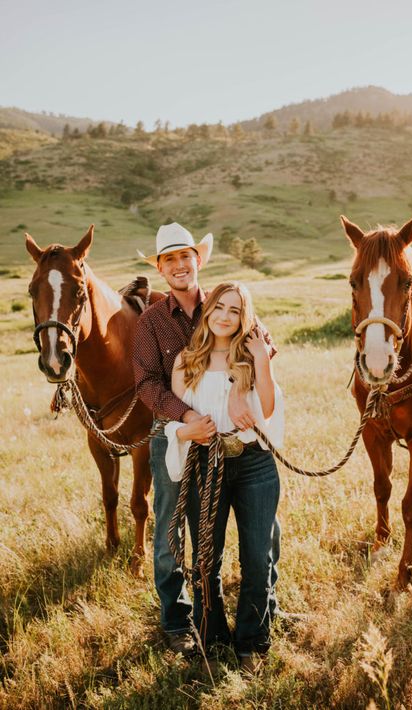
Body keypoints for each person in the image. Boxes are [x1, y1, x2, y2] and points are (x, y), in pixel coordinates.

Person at [132, 222, 280, 657]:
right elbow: (146, 384)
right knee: (171, 528)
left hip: (236, 438)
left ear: (199, 260)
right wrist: (187, 417)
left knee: (263, 531)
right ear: (160, 269)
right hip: (176, 432)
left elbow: (264, 345)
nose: (179, 266)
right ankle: (180, 621)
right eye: (170, 259)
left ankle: (263, 606)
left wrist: (237, 384)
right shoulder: (151, 323)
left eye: (186, 256)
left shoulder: (224, 300)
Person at [165, 281, 284, 669]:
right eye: (220, 307)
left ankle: (252, 642)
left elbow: (267, 409)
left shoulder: (251, 358)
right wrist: (189, 430)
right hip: (206, 464)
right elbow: (178, 421)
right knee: (205, 560)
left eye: (235, 310)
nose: (225, 316)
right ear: (208, 309)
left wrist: (260, 365)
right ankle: (211, 640)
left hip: (253, 464)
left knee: (256, 557)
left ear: (243, 318)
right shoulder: (186, 361)